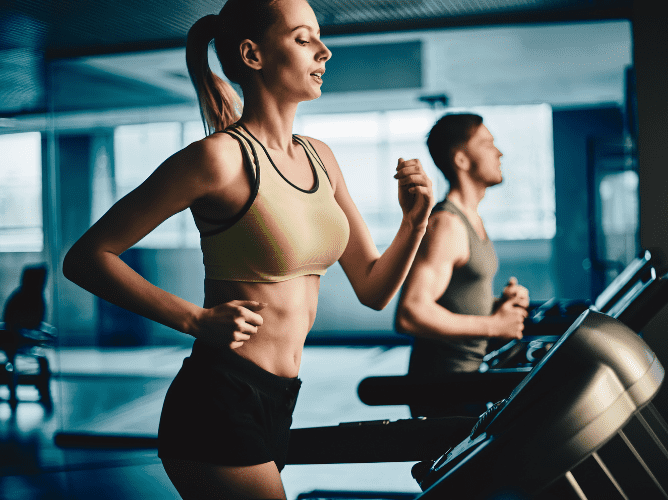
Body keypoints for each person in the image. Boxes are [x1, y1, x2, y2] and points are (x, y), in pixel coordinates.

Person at [62, 0, 434, 498]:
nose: (324, 51)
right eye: (304, 39)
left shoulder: (322, 157)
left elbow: (373, 288)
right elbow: (87, 257)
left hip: (281, 397)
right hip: (219, 397)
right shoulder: (218, 159)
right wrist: (194, 320)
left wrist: (415, 222)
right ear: (252, 55)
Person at [394, 113, 529, 418]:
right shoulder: (448, 224)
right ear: (462, 160)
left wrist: (499, 307)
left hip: (467, 377)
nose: (499, 152)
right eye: (487, 143)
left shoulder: (471, 218)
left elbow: (456, 300)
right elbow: (411, 313)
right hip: (445, 388)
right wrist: (494, 325)